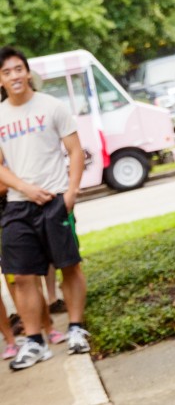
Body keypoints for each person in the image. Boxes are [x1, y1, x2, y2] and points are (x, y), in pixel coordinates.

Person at [0, 46, 90, 371]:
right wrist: (24, 187)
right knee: (23, 276)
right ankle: (35, 341)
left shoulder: (52, 106)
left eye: (18, 69)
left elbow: (75, 151)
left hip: (56, 201)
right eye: (6, 72)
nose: (14, 76)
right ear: (0, 79)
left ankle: (76, 328)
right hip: (18, 206)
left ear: (27, 72)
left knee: (69, 266)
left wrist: (71, 193)